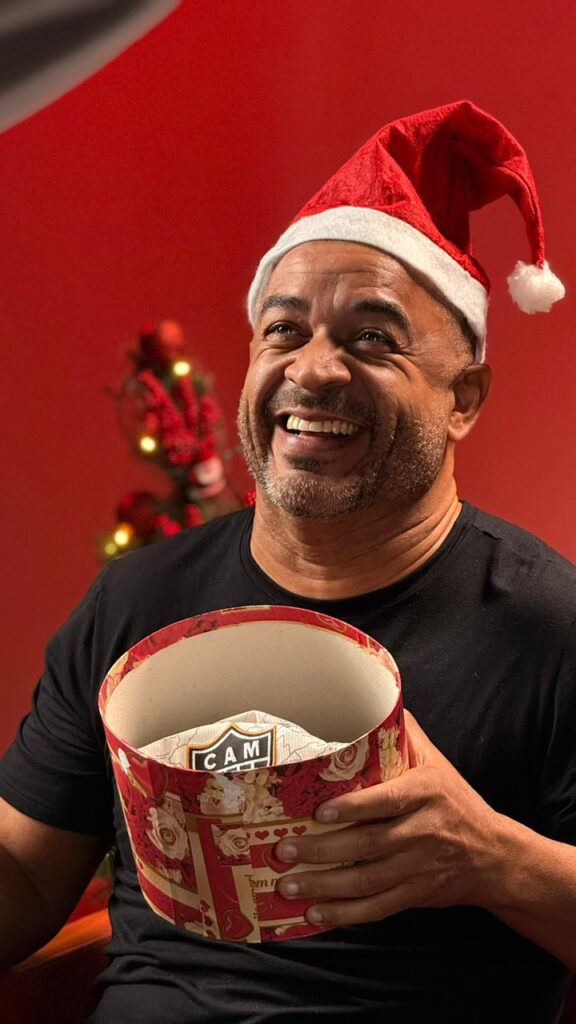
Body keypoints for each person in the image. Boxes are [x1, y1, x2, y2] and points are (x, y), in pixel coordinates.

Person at [0, 100, 574, 1023]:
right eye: (285, 329)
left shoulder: (551, 629)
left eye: (373, 338)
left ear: (463, 397)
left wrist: (492, 858)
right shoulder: (139, 598)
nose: (313, 370)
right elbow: (25, 875)